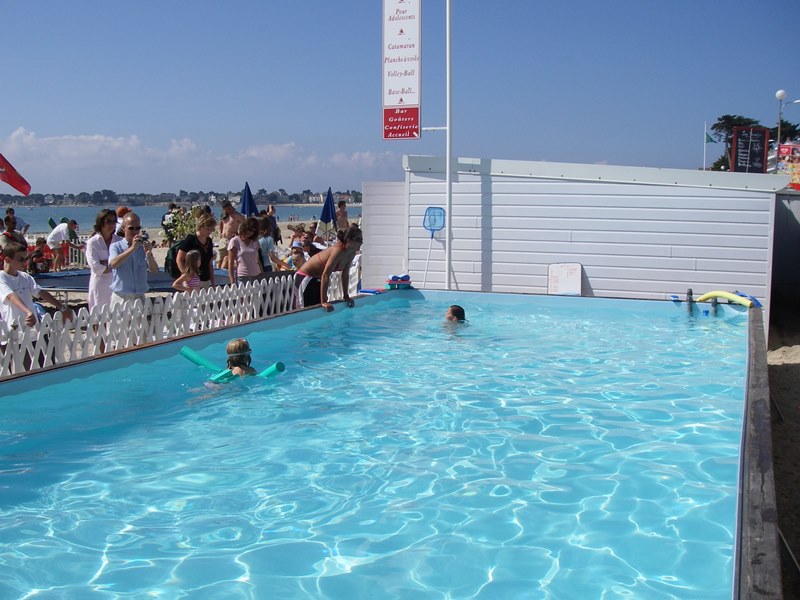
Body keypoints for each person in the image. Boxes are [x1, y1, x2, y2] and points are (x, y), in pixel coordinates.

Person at [0, 242, 73, 327]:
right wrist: (28, 312)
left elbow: (40, 292)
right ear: (8, 260)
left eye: (26, 258)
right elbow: (11, 296)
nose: (25, 262)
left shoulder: (25, 277)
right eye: (21, 259)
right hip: (13, 328)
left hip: (32, 327)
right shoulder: (2, 277)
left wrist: (62, 308)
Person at [294, 224, 362, 311]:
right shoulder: (338, 250)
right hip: (305, 278)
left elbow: (345, 274)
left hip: (316, 279)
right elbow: (326, 275)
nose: (361, 242)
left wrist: (346, 296)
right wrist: (324, 301)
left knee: (317, 312)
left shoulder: (351, 253)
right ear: (349, 240)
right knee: (306, 311)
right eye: (359, 240)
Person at [109, 212, 159, 308]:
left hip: (140, 297)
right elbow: (113, 264)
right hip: (122, 297)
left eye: (137, 228)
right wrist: (132, 248)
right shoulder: (116, 246)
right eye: (131, 228)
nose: (135, 231)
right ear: (124, 228)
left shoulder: (142, 247)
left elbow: (154, 270)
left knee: (142, 323)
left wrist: (149, 255)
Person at [85, 209, 122, 312]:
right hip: (100, 285)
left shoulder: (119, 241)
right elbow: (96, 267)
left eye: (114, 221)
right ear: (101, 222)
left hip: (117, 283)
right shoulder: (92, 243)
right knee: (98, 317)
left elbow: (124, 263)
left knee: (116, 316)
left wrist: (107, 264)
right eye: (108, 221)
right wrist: (115, 265)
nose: (111, 224)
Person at [176, 212, 217, 289]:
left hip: (206, 279)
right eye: (208, 229)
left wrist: (213, 283)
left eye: (212, 229)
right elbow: (179, 259)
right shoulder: (191, 239)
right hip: (193, 281)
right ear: (201, 226)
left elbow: (209, 264)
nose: (210, 231)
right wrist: (187, 275)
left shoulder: (209, 241)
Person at [227, 217, 262, 285]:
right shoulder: (235, 241)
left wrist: (262, 273)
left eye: (253, 231)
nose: (250, 233)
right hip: (243, 276)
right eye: (249, 230)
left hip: (257, 275)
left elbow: (257, 260)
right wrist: (232, 281)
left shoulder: (255, 242)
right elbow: (230, 263)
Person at [218, 200, 246, 270]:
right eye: (226, 209)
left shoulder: (237, 215)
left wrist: (238, 234)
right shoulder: (224, 215)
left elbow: (245, 225)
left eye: (229, 209)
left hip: (231, 239)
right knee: (220, 259)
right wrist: (220, 232)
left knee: (228, 259)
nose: (228, 211)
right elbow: (221, 223)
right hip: (223, 240)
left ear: (231, 206)